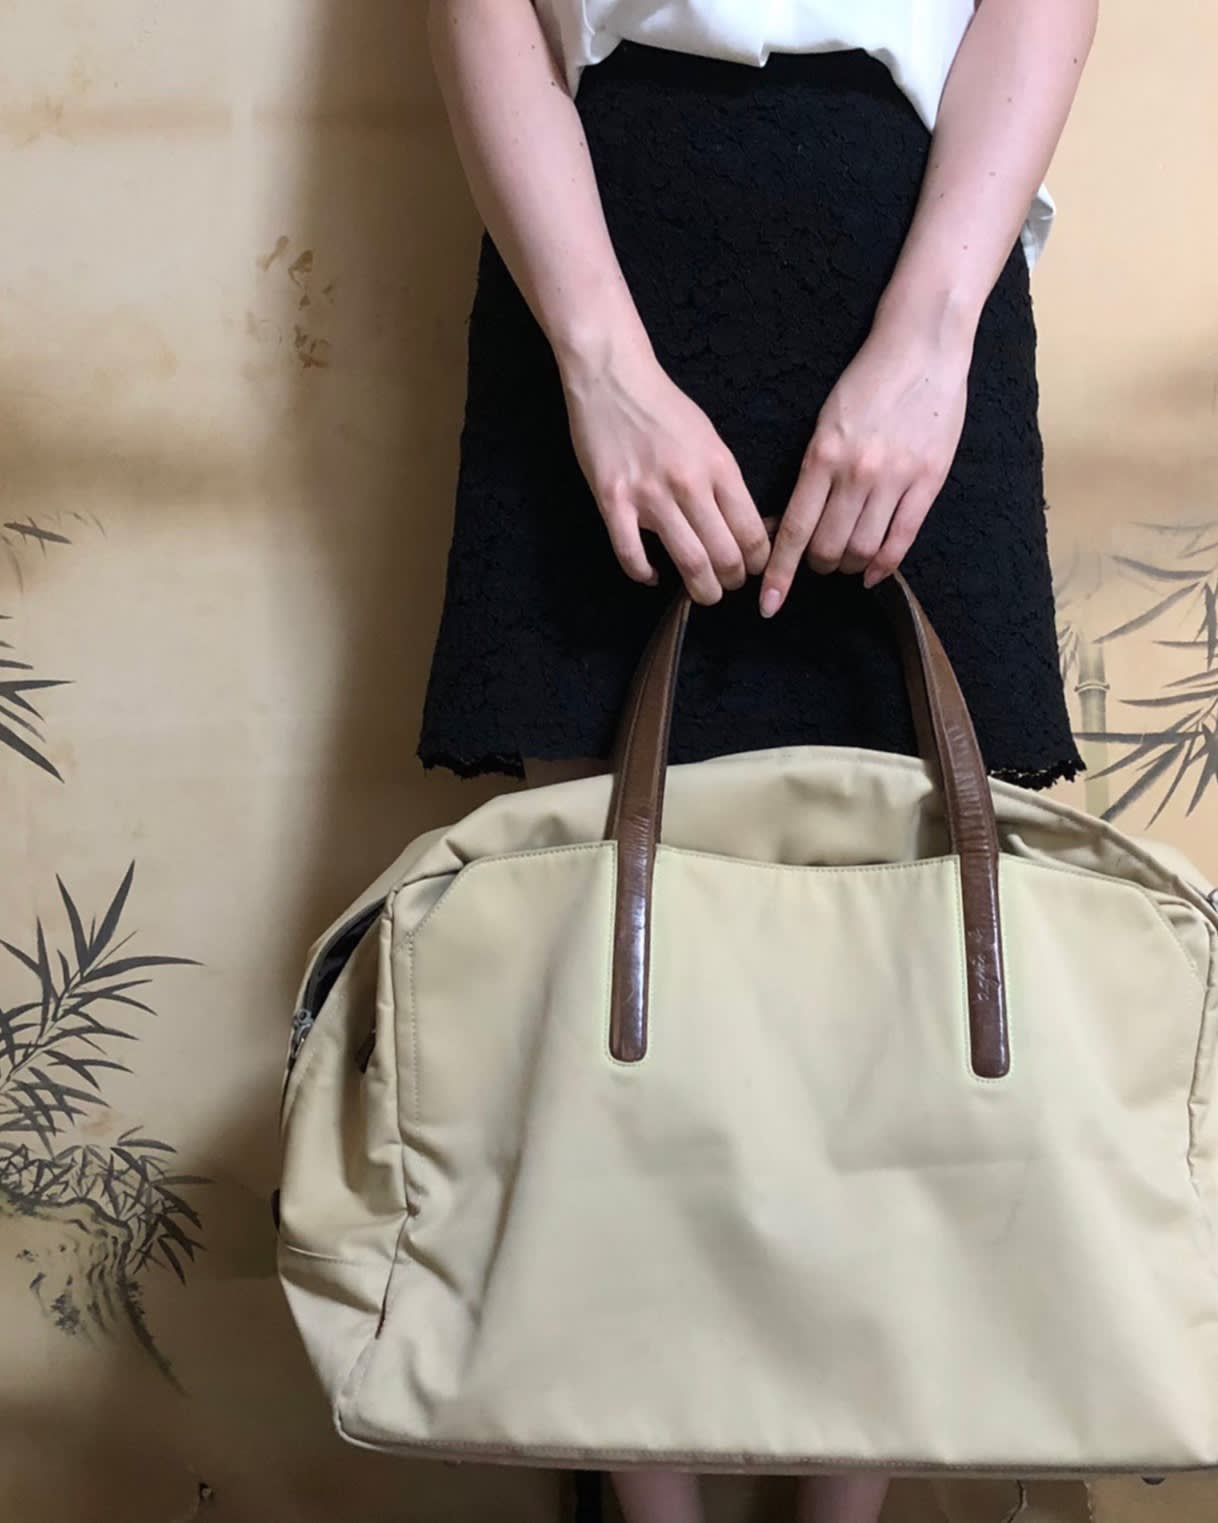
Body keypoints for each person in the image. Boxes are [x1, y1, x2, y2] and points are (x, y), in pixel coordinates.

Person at [420, 2, 1097, 1519]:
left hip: (918, 223)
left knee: (912, 955)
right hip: (598, 240)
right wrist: (598, 364)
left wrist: (931, 344)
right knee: (603, 949)